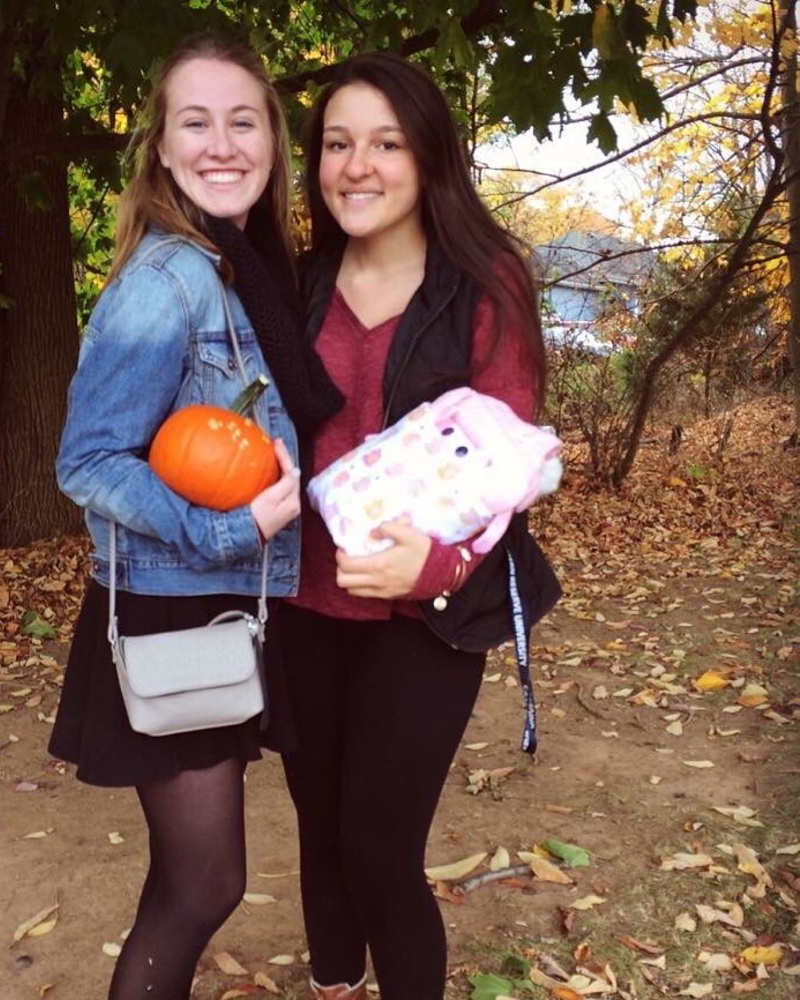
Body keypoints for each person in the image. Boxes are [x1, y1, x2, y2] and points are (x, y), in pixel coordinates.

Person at [49, 33, 341, 1000]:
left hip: (222, 606)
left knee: (188, 876)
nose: (222, 144)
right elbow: (87, 461)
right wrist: (230, 531)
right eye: (196, 123)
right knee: (208, 883)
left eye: (243, 120)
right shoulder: (166, 282)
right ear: (164, 151)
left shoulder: (246, 269)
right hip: (176, 608)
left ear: (272, 144)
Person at [279, 52, 561, 1000]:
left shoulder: (486, 285)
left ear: (429, 158)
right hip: (305, 603)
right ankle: (335, 988)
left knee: (376, 847)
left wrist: (435, 566)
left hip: (428, 616)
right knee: (318, 831)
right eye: (337, 143)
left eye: (386, 143)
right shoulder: (298, 284)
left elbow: (513, 462)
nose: (357, 166)